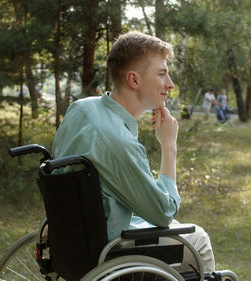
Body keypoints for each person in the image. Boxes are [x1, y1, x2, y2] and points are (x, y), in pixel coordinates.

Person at [52, 31, 223, 276]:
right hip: (106, 249)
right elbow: (163, 212)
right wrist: (169, 146)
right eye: (162, 74)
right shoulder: (118, 142)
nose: (170, 84)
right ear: (134, 80)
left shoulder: (81, 108)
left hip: (72, 237)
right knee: (198, 238)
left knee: (175, 228)